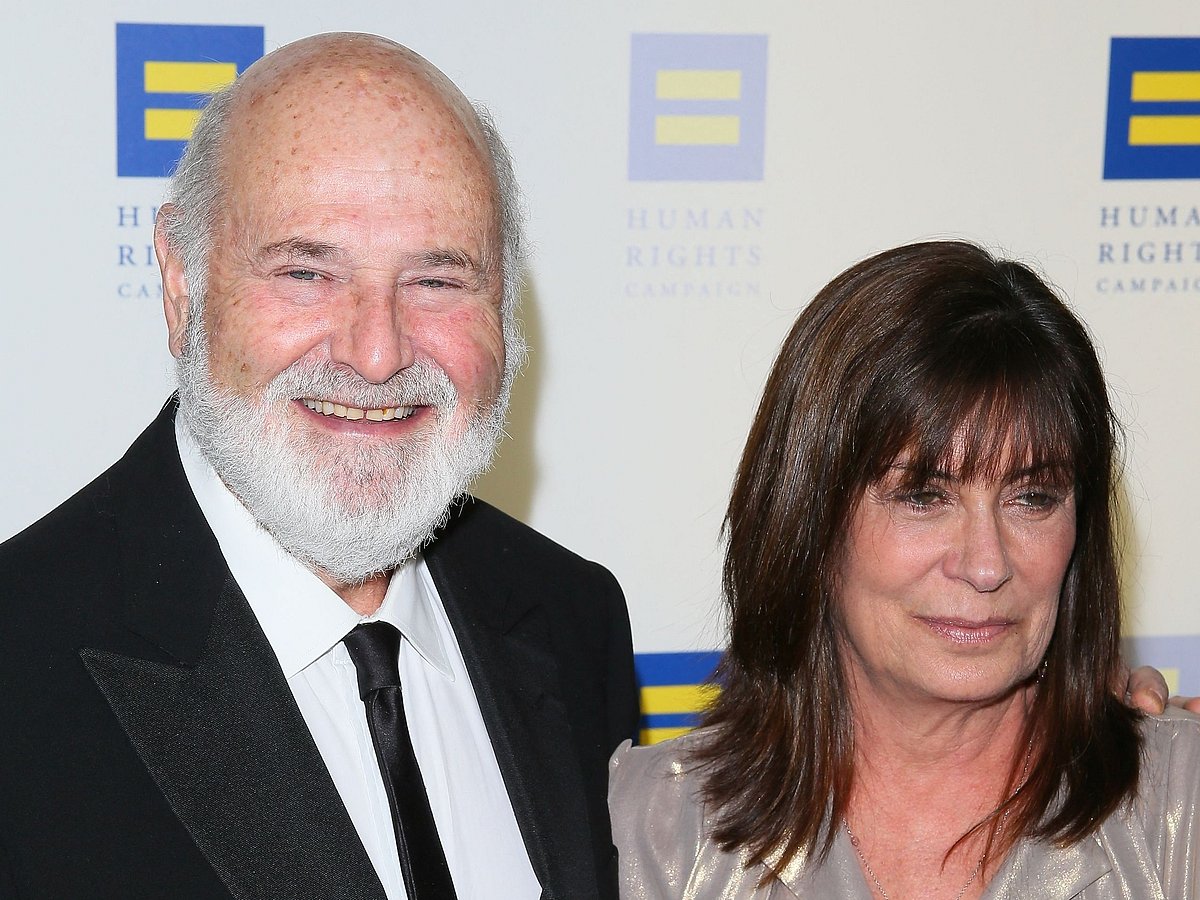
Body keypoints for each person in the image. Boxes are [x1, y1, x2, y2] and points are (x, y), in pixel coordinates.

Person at [0, 33, 637, 899]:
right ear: (182, 284)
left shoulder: (571, 618)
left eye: (438, 282)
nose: (377, 354)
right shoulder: (19, 669)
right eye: (306, 273)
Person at [609, 241, 1200, 899]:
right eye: (923, 496)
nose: (986, 565)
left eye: (1033, 497)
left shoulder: (1179, 818)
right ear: (809, 521)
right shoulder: (647, 835)